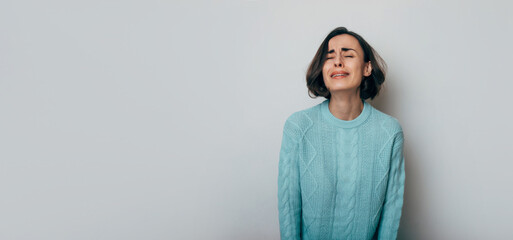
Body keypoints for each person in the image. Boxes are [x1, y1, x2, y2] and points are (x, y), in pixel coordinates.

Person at [277, 27, 406, 240]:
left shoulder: (389, 132)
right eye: (330, 57)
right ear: (322, 69)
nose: (338, 61)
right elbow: (289, 210)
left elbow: (391, 212)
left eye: (348, 55)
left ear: (367, 68)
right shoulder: (298, 127)